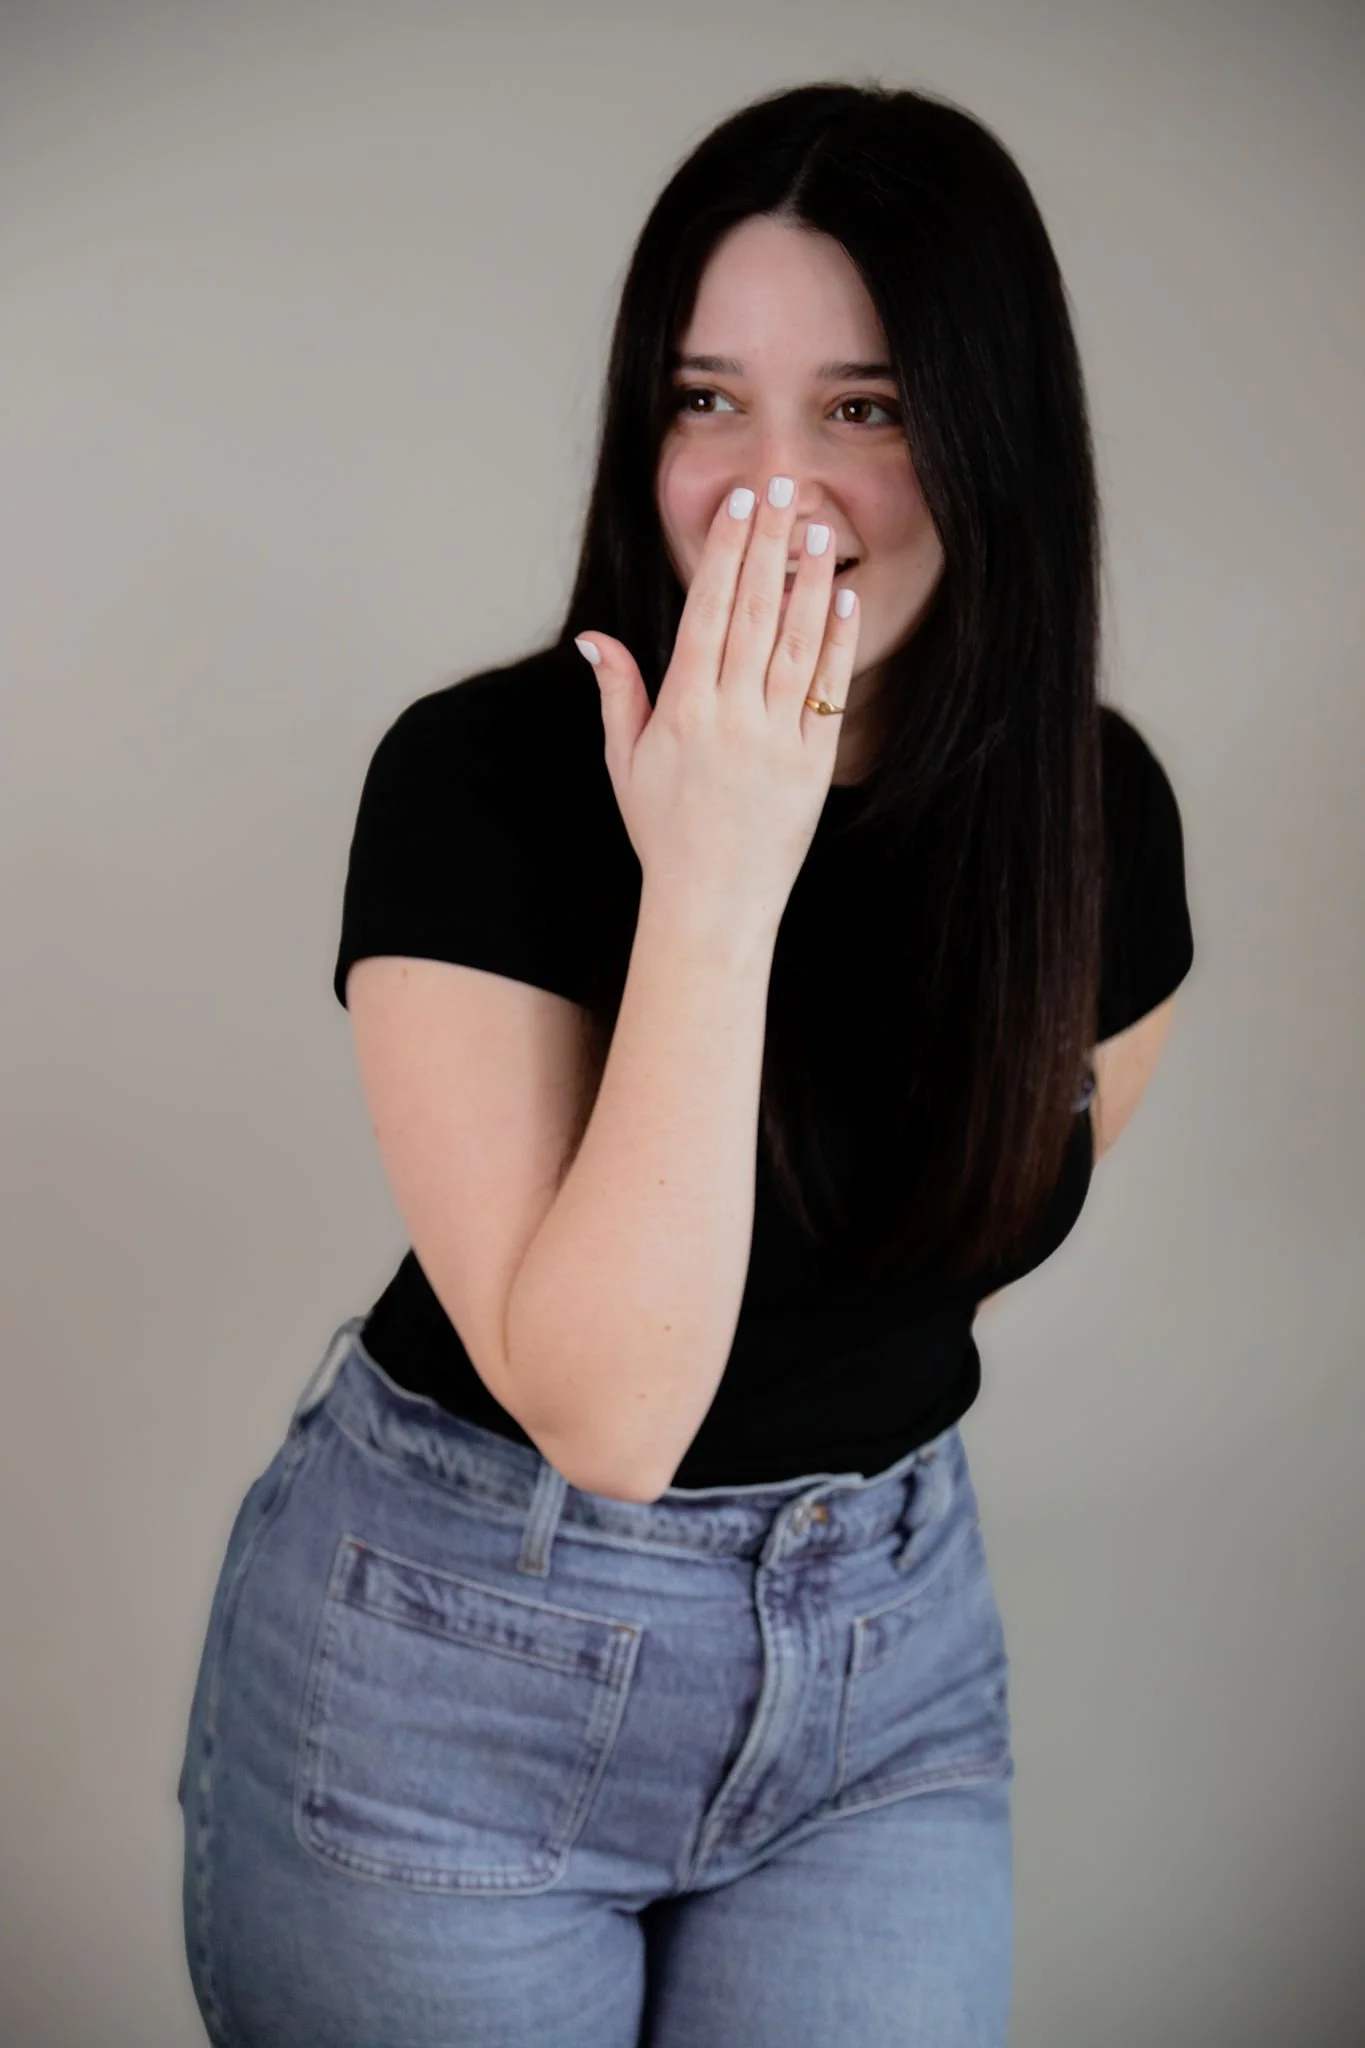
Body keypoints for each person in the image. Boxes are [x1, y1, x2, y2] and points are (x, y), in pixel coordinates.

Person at [177, 79, 1194, 2047]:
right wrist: (717, 873)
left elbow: (955, 1241)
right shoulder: (476, 786)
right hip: (463, 1658)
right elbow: (614, 1420)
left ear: (994, 436)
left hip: (885, 1668)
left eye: (866, 408)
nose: (768, 491)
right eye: (706, 400)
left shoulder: (1092, 816)